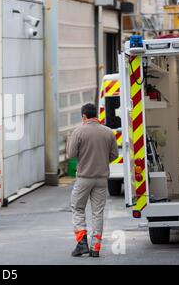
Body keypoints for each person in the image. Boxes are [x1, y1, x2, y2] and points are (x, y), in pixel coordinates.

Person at [67, 103, 118, 258]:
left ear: (84, 116)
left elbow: (70, 154)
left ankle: (82, 243)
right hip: (102, 179)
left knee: (78, 208)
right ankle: (95, 247)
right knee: (97, 212)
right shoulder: (108, 132)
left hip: (84, 178)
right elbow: (114, 155)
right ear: (96, 115)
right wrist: (102, 160)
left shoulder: (78, 132)